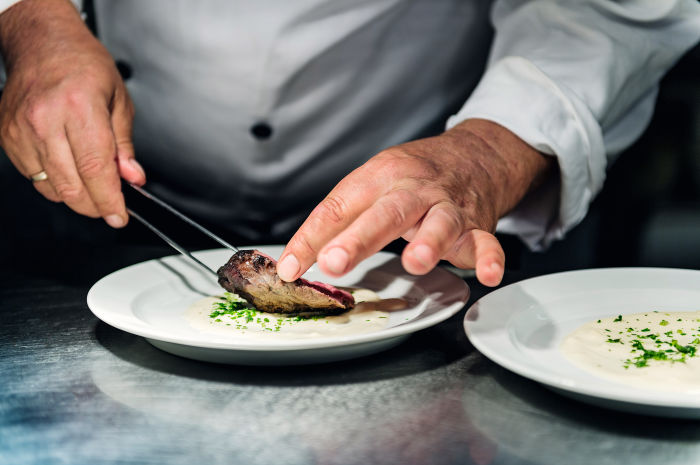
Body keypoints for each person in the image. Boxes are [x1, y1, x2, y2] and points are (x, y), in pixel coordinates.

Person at [0, 0, 699, 287]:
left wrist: (487, 156)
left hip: (429, 220)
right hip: (103, 191)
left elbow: (610, 10)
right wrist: (31, 18)